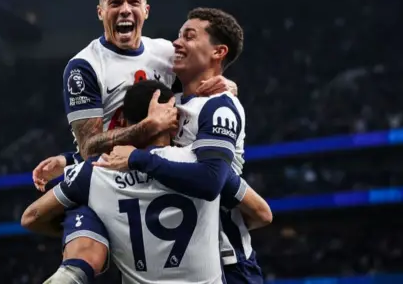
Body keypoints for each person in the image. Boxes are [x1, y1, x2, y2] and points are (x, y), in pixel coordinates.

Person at [32, 0, 238, 282]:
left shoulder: (166, 54)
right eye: (115, 3)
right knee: (82, 255)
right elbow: (89, 146)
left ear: (146, 11)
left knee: (229, 200)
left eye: (133, 2)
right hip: (110, 175)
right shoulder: (84, 67)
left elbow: (204, 73)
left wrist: (228, 87)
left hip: (164, 167)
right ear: (101, 12)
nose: (125, 9)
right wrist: (148, 126)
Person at [22, 80, 272, 284]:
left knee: (80, 206)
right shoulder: (201, 165)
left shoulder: (95, 170)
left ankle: (75, 268)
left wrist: (106, 233)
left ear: (123, 122)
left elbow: (31, 217)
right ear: (173, 121)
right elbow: (262, 214)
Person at [97, 8, 265, 283]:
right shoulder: (166, 101)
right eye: (178, 35)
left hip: (226, 263)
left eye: (189, 36)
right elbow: (123, 146)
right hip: (176, 258)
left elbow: (210, 182)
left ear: (218, 52)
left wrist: (139, 158)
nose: (177, 43)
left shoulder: (219, 106)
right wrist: (69, 161)